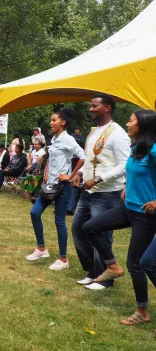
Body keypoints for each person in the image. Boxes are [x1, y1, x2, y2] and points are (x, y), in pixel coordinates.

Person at [82, 109, 156, 325]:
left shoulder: (153, 150)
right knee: (91, 227)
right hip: (128, 207)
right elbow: (132, 171)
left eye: (131, 120)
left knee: (137, 263)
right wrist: (126, 187)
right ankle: (112, 265)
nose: (128, 123)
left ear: (142, 125)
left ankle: (142, 311)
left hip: (145, 214)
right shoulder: (137, 148)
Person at [71, 94, 130, 291]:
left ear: (107, 108)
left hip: (107, 194)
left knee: (102, 237)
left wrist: (98, 179)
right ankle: (93, 273)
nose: (90, 109)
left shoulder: (118, 133)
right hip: (87, 194)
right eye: (90, 106)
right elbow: (89, 159)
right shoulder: (93, 132)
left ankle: (105, 278)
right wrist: (79, 172)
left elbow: (125, 165)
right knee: (78, 230)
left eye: (94, 106)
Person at [27, 108, 84, 270]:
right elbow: (51, 156)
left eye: (54, 120)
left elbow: (83, 157)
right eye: (51, 120)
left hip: (62, 188)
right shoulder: (54, 138)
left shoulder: (68, 140)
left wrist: (71, 175)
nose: (51, 123)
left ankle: (63, 259)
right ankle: (41, 249)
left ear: (63, 122)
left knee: (59, 221)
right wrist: (46, 170)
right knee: (34, 213)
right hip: (49, 186)